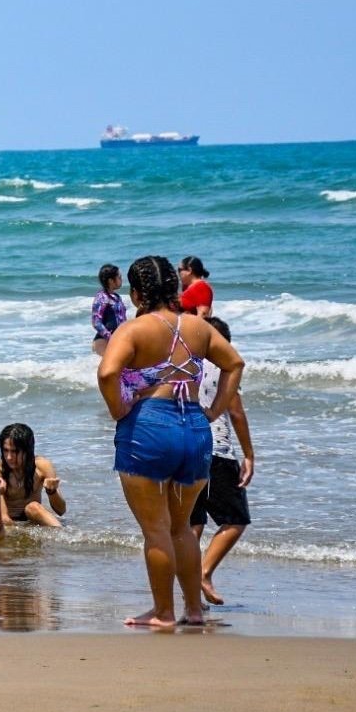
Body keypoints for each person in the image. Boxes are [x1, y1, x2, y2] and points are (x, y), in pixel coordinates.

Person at [97, 255, 244, 628]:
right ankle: (193, 610)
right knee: (182, 528)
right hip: (195, 430)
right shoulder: (198, 327)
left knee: (156, 529)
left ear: (136, 294)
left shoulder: (133, 330)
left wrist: (118, 409)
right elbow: (235, 364)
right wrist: (214, 411)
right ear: (174, 289)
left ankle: (163, 612)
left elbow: (108, 372)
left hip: (148, 428)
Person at [191, 316, 254, 606]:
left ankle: (190, 595)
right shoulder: (223, 369)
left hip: (185, 450)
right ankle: (203, 573)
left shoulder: (185, 366)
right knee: (235, 519)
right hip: (216, 452)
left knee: (193, 523)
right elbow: (236, 413)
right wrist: (249, 455)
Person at [0, 423, 66, 527]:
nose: (9, 457)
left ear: (28, 450)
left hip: (34, 519)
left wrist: (52, 492)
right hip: (9, 523)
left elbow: (61, 510)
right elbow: (3, 519)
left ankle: (65, 534)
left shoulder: (42, 467)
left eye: (15, 451)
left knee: (33, 507)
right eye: (5, 450)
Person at [91, 263, 127, 355]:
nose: (121, 279)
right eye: (119, 277)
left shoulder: (116, 297)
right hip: (103, 342)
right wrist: (110, 337)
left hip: (116, 340)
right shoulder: (101, 297)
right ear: (111, 281)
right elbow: (96, 322)